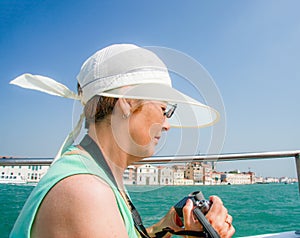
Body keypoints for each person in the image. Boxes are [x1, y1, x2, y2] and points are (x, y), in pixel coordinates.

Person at [10, 44, 235, 238]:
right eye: (164, 110)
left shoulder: (97, 173)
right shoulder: (87, 193)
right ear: (127, 103)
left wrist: (163, 228)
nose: (167, 125)